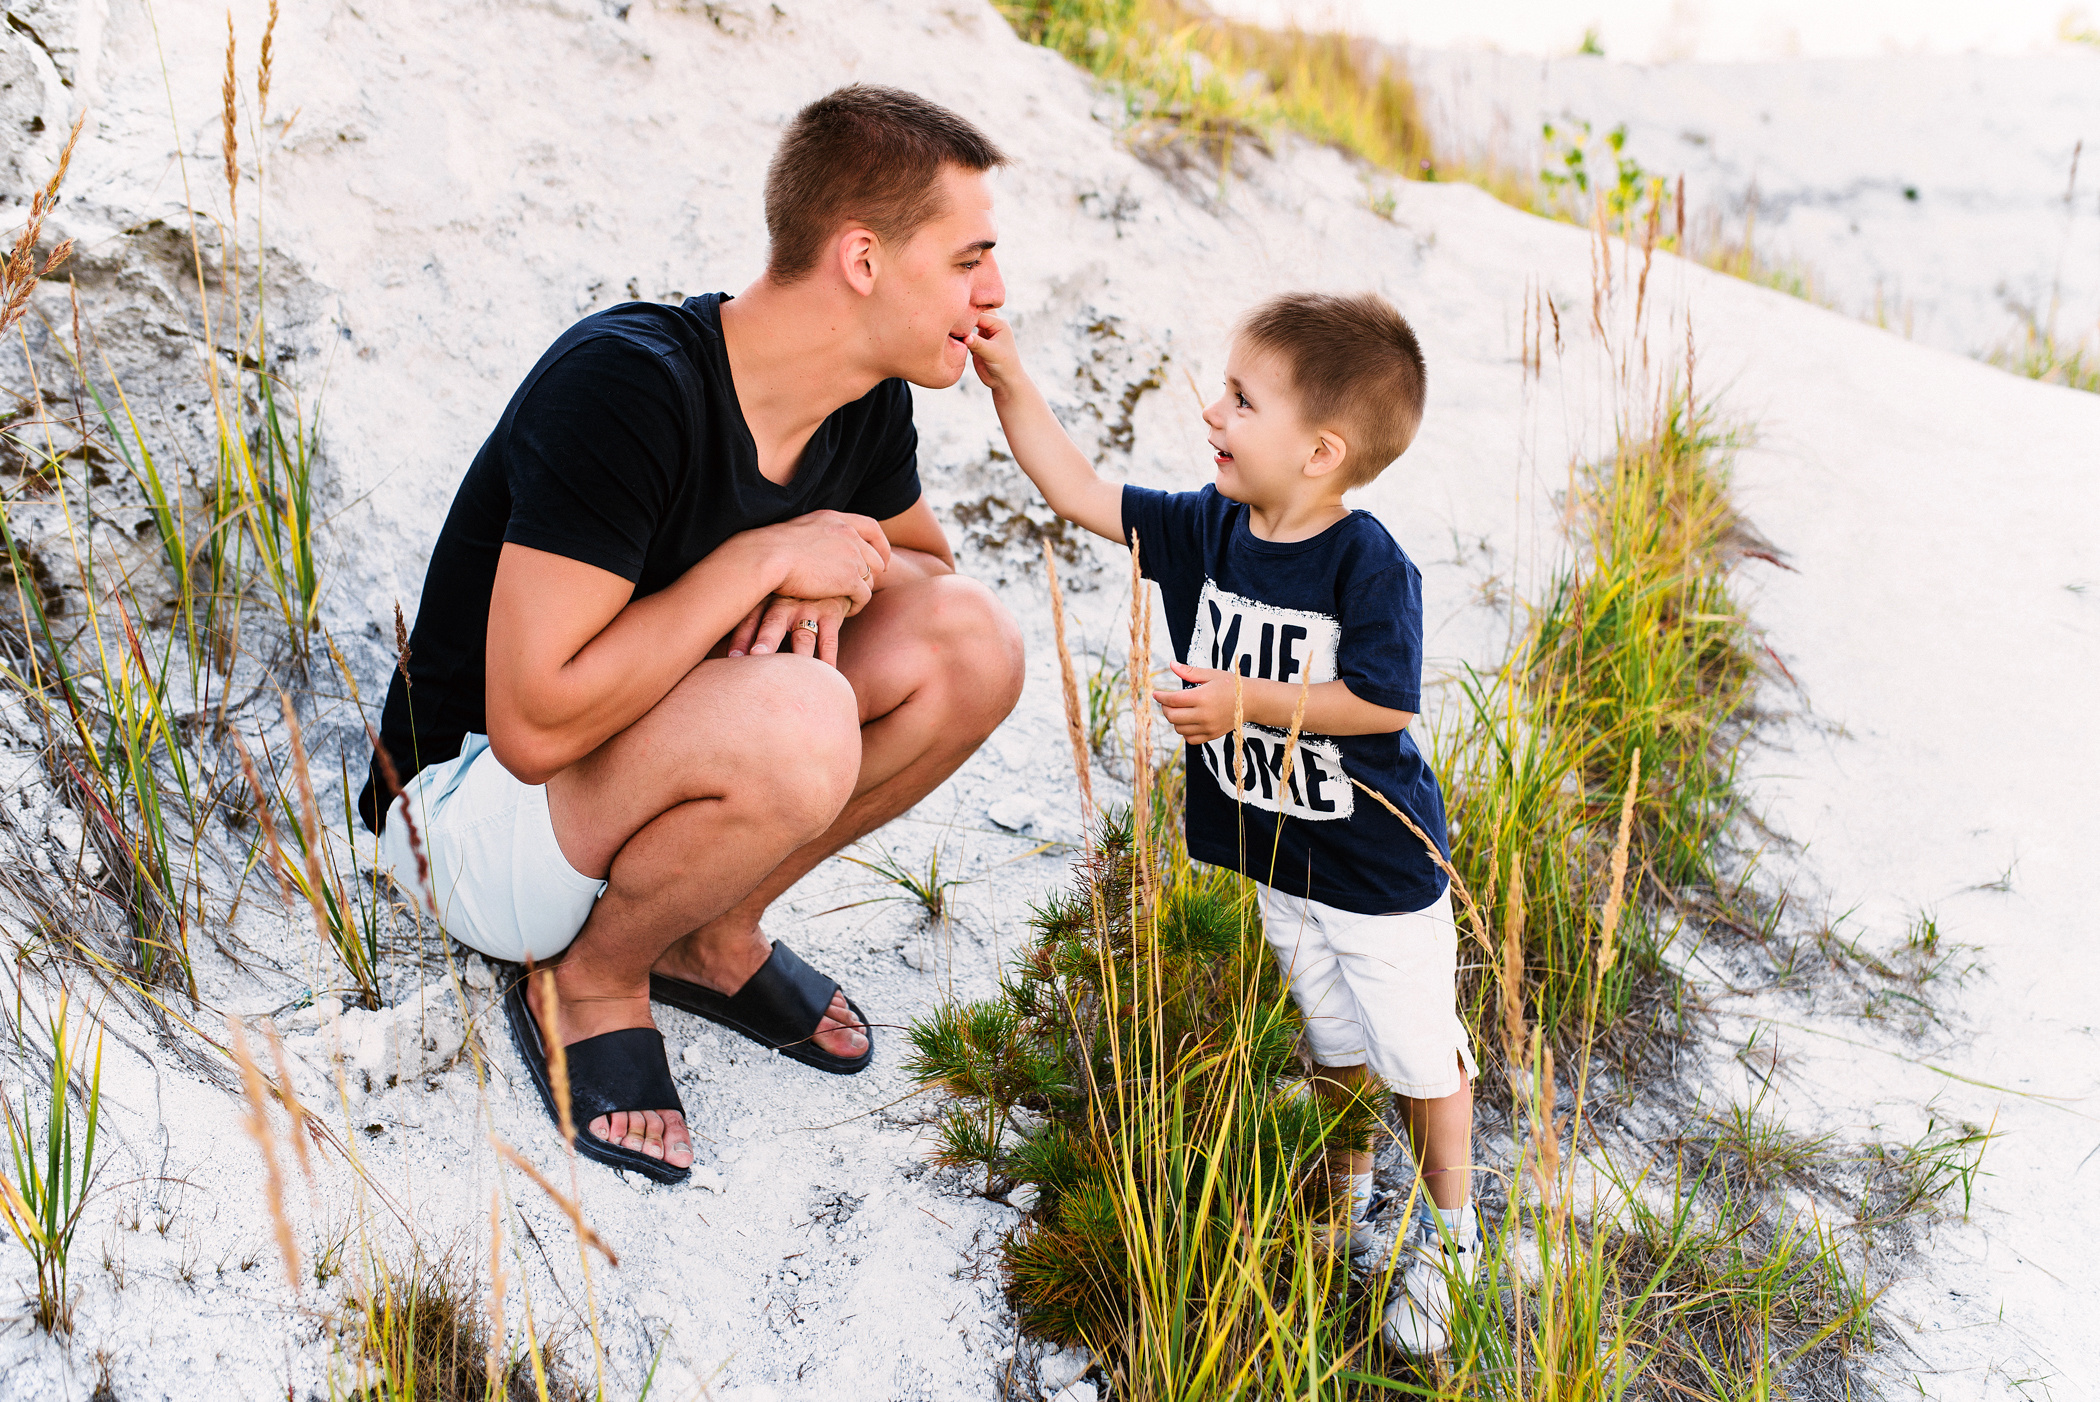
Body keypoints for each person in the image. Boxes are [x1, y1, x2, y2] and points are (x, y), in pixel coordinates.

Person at [357, 86, 1025, 1185]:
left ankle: (708, 931)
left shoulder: (862, 402)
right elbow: (531, 727)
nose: (994, 292)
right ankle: (590, 980)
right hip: (467, 817)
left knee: (974, 642)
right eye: (969, 260)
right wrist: (761, 562)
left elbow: (925, 575)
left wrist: (836, 581)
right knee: (802, 714)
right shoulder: (628, 385)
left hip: (634, 774)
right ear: (863, 258)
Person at [963, 291, 1476, 1354]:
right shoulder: (1208, 527)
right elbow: (1079, 491)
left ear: (1322, 452)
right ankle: (1342, 1194)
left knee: (1419, 1056)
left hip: (1377, 871)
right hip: (1280, 858)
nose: (1213, 413)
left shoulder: (1366, 563)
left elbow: (1382, 702)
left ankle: (1452, 1237)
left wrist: (1246, 699)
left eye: (1242, 400)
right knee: (1332, 1039)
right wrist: (1009, 379)